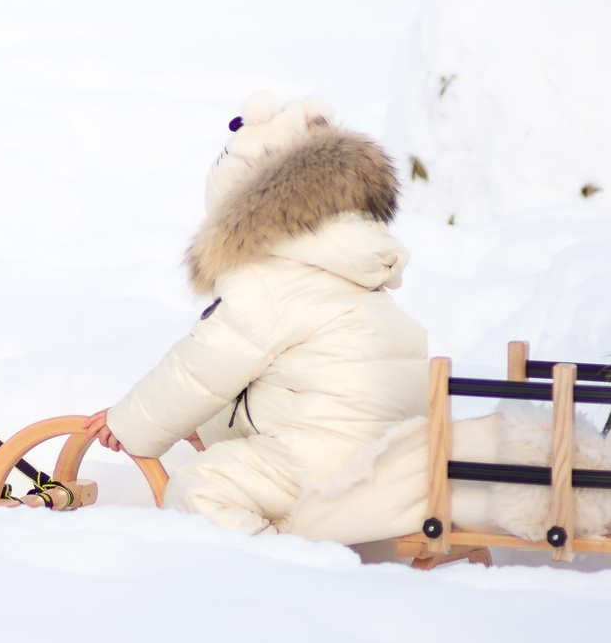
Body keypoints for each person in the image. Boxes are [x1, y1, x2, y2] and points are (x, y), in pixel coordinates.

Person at [83, 95, 427, 533]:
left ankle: (272, 571)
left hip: (323, 463)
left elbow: (208, 364)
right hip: (390, 459)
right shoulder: (350, 265)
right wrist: (207, 428)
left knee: (198, 488)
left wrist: (133, 423)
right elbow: (300, 383)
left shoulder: (269, 272)